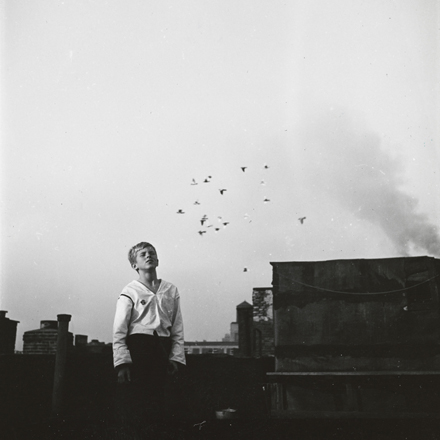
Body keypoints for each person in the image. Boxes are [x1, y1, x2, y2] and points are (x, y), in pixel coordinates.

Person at [113, 241, 185, 427]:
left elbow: (177, 328)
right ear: (134, 265)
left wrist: (176, 357)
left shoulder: (170, 290)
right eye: (143, 254)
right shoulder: (130, 291)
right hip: (139, 349)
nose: (148, 255)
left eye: (151, 252)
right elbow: (119, 330)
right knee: (140, 405)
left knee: (164, 405)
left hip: (163, 348)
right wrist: (122, 363)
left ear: (158, 260)